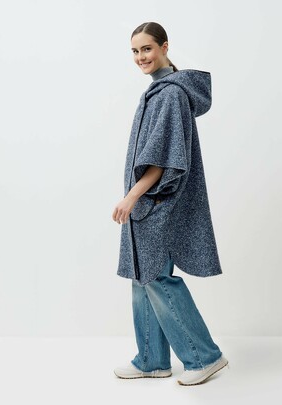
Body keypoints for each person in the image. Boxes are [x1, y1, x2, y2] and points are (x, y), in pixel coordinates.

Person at [112, 21, 228, 386]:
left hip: (156, 203)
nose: (140, 57)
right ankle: (151, 359)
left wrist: (132, 196)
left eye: (147, 48)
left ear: (164, 47)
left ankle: (205, 356)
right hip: (147, 205)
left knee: (158, 278)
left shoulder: (170, 95)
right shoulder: (157, 92)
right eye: (135, 51)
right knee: (142, 278)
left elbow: (165, 159)